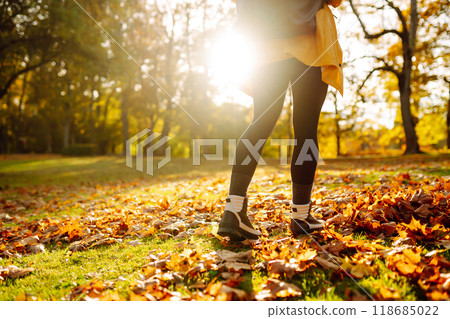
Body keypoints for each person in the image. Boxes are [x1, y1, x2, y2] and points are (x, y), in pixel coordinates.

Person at [218, 0, 344, 241]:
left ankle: (233, 211)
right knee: (306, 130)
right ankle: (300, 216)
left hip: (263, 47)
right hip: (309, 44)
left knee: (260, 123)